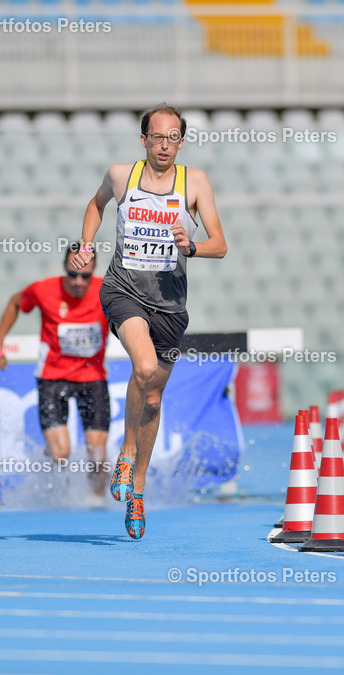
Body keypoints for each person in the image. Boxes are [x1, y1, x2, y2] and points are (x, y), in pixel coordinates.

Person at [69, 103, 227, 539]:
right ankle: (125, 449)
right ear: (144, 140)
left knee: (153, 399)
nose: (165, 145)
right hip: (123, 290)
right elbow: (95, 205)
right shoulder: (123, 176)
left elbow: (220, 244)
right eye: (157, 136)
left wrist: (191, 247)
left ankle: (137, 491)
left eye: (173, 137)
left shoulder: (193, 182)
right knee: (143, 368)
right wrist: (85, 243)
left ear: (181, 140)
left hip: (171, 306)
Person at [0, 243, 111, 497]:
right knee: (61, 453)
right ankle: (55, 476)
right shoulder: (43, 290)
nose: (79, 281)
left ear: (95, 270)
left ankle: (97, 502)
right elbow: (14, 303)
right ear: (64, 268)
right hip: (53, 378)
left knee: (98, 454)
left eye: (86, 276)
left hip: (93, 378)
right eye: (73, 274)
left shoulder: (108, 290)